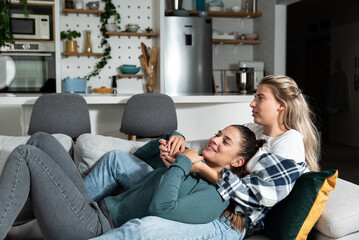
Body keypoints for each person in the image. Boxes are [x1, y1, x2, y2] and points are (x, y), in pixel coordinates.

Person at [87, 75, 318, 240]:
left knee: (144, 230)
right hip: (198, 188)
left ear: (281, 105)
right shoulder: (254, 130)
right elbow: (208, 148)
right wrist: (178, 143)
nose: (252, 103)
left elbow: (255, 198)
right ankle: (77, 212)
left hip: (227, 219)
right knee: (117, 159)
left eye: (260, 97)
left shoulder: (289, 143)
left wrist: (195, 166)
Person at [0, 124, 263, 240]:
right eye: (218, 134)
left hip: (95, 227)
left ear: (238, 162)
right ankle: (14, 223)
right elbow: (140, 155)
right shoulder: (189, 167)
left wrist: (182, 164)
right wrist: (174, 136)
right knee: (42, 139)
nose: (214, 139)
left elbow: (162, 208)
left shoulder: (214, 198)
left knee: (26, 154)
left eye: (225, 141)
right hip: (94, 207)